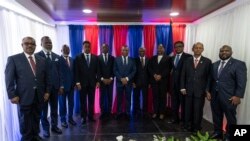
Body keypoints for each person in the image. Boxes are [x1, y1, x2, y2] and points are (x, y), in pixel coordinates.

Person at [5, 37, 50, 141]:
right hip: (23, 96)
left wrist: (47, 91)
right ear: (22, 45)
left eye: (32, 44)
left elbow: (47, 77)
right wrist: (12, 95)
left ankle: (35, 136)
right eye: (27, 43)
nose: (30, 45)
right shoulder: (14, 59)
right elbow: (9, 78)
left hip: (39, 95)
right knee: (25, 120)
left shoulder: (42, 60)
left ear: (35, 46)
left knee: (36, 117)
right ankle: (26, 138)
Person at [209, 45, 247, 141]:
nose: (224, 52)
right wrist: (208, 91)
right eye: (222, 51)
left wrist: (238, 96)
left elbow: (242, 81)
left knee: (230, 117)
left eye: (227, 50)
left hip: (230, 97)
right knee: (216, 115)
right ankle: (218, 132)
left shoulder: (239, 64)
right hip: (215, 95)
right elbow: (211, 80)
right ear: (219, 52)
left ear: (231, 52)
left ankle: (230, 135)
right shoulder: (215, 64)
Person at [180, 42, 212, 132]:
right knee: (187, 109)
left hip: (200, 91)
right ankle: (186, 125)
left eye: (200, 48)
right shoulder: (186, 60)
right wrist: (182, 87)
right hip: (187, 90)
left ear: (202, 49)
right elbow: (183, 75)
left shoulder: (207, 61)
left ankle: (196, 127)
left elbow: (209, 77)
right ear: (192, 49)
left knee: (198, 110)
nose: (198, 49)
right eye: (196, 48)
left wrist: (207, 90)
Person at [36, 36, 63, 137]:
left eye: (50, 43)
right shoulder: (37, 56)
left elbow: (60, 73)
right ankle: (45, 129)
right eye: (46, 42)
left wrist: (61, 86)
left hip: (55, 88)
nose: (49, 44)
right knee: (44, 110)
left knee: (55, 109)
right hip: (43, 90)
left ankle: (54, 126)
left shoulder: (57, 56)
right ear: (41, 43)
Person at [74, 41, 100, 125]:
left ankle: (90, 116)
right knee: (83, 101)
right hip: (82, 84)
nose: (87, 48)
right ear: (83, 47)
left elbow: (98, 72)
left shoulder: (95, 58)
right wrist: (77, 83)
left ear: (90, 47)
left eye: (88, 46)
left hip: (92, 83)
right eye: (85, 46)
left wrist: (98, 81)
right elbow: (76, 72)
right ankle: (83, 117)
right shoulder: (78, 58)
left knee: (91, 101)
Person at [169, 41, 192, 124]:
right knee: (174, 103)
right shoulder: (172, 58)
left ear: (183, 47)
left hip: (184, 86)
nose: (177, 48)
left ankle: (183, 120)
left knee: (184, 104)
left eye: (179, 46)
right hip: (174, 85)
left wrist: (185, 85)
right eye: (176, 47)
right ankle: (175, 119)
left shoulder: (189, 57)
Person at [148, 44, 171, 120]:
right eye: (158, 48)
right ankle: (155, 112)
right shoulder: (152, 58)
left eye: (161, 48)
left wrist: (160, 75)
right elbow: (149, 68)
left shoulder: (168, 58)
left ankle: (162, 113)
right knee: (155, 97)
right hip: (154, 81)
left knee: (162, 97)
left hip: (163, 81)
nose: (160, 50)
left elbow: (168, 69)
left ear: (164, 49)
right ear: (157, 49)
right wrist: (154, 75)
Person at [113, 45, 136, 120]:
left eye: (126, 50)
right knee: (119, 98)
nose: (125, 51)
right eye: (123, 50)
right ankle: (119, 112)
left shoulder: (132, 60)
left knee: (128, 98)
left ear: (128, 51)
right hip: (119, 83)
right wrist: (121, 79)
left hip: (128, 83)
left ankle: (128, 113)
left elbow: (134, 71)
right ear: (121, 51)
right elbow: (115, 70)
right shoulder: (116, 59)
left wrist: (126, 78)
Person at [58, 44, 76, 128]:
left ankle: (70, 118)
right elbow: (58, 74)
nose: (66, 50)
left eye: (68, 49)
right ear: (61, 50)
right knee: (62, 104)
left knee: (71, 103)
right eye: (64, 49)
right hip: (62, 87)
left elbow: (74, 73)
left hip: (71, 86)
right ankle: (63, 120)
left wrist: (75, 83)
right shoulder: (58, 60)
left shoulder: (72, 60)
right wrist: (60, 86)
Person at [98, 43, 114, 120]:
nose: (105, 48)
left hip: (110, 81)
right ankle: (102, 112)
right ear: (101, 48)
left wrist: (110, 78)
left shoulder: (112, 58)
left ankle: (110, 111)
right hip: (102, 81)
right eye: (103, 47)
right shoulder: (98, 58)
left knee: (110, 96)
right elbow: (97, 70)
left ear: (108, 48)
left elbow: (113, 70)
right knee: (102, 97)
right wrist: (102, 79)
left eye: (106, 47)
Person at [132, 47, 150, 118]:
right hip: (136, 82)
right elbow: (133, 71)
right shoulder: (134, 60)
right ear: (138, 52)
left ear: (145, 51)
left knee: (145, 97)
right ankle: (136, 110)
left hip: (146, 82)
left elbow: (149, 72)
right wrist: (133, 82)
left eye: (143, 51)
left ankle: (145, 111)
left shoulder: (149, 60)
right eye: (140, 51)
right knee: (136, 97)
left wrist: (149, 83)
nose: (142, 52)